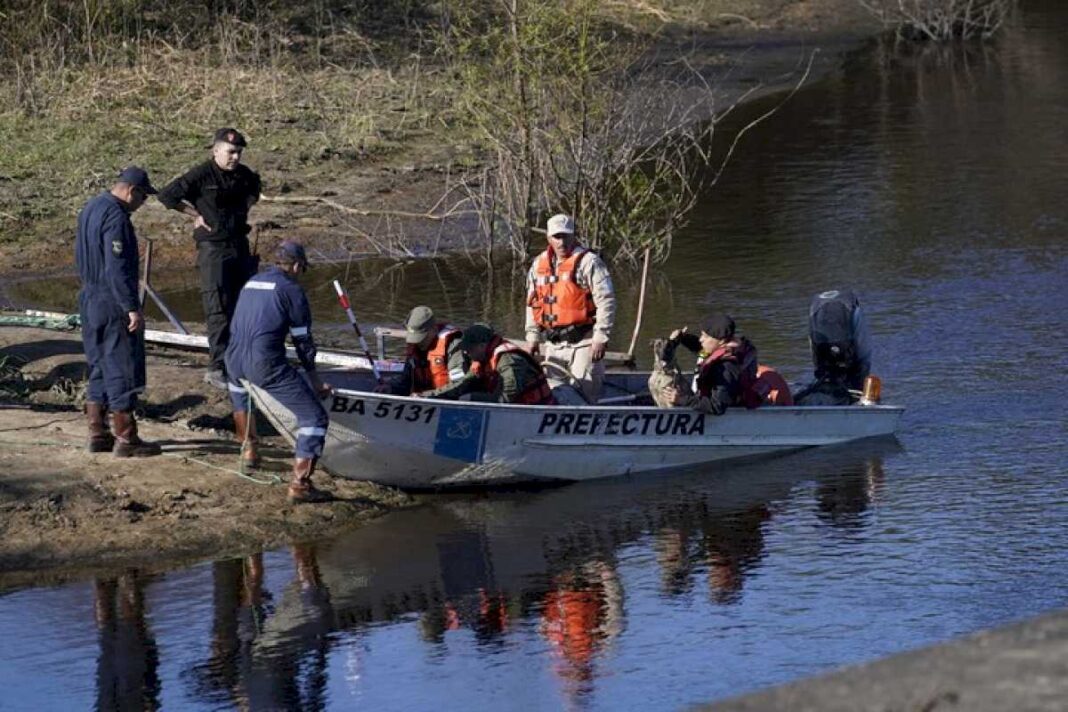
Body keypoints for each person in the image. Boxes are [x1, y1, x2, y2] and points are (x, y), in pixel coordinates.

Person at [224, 240, 332, 503]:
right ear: (296, 266)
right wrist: (315, 380)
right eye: (301, 269)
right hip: (264, 363)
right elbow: (303, 341)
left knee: (242, 395)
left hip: (232, 358)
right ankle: (300, 485)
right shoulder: (292, 290)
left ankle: (249, 450)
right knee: (315, 418)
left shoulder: (252, 282)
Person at [158, 127, 262, 389]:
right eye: (230, 152)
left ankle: (237, 361)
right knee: (218, 308)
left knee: (242, 307)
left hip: (239, 245)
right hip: (213, 249)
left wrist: (244, 209)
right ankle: (216, 366)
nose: (235, 157)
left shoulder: (244, 175)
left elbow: (255, 190)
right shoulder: (202, 174)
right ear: (216, 151)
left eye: (238, 152)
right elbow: (167, 195)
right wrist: (195, 215)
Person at [75, 166, 162, 457]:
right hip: (110, 300)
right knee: (122, 365)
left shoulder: (91, 207)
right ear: (131, 191)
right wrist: (130, 307)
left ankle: (97, 432)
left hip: (89, 297)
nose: (143, 204)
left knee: (99, 362)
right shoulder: (117, 217)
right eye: (143, 197)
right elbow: (118, 268)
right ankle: (127, 438)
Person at [525, 213, 615, 403]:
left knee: (585, 398)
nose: (561, 241)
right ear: (549, 238)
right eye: (557, 237)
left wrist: (601, 337)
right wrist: (532, 337)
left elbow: (606, 301)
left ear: (573, 236)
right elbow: (533, 303)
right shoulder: (538, 265)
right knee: (554, 397)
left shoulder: (589, 262)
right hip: (553, 345)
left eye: (566, 236)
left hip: (584, 343)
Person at [429, 323, 554, 404]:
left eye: (469, 349)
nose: (466, 353)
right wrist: (430, 396)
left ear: (482, 346)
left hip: (535, 411)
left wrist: (474, 398)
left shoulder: (509, 360)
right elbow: (462, 384)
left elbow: (506, 399)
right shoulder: (480, 360)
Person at [663, 314, 758, 416]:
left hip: (721, 411)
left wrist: (681, 399)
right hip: (703, 398)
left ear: (721, 340)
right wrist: (683, 338)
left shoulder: (726, 368)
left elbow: (717, 407)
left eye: (705, 336)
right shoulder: (719, 348)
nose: (701, 339)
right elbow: (701, 351)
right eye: (701, 335)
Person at [375, 305, 468, 396]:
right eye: (414, 338)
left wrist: (427, 396)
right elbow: (406, 381)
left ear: (434, 330)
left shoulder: (452, 345)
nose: (417, 343)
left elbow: (458, 386)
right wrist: (391, 388)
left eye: (421, 338)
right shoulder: (414, 348)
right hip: (421, 402)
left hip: (445, 401)